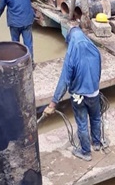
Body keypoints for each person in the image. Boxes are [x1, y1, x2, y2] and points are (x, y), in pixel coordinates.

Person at [44, 27, 105, 162]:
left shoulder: (72, 54)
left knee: (82, 123)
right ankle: (96, 143)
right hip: (94, 93)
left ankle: (85, 152)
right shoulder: (95, 50)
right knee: (95, 118)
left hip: (79, 96)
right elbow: (98, 72)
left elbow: (64, 81)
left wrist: (53, 103)